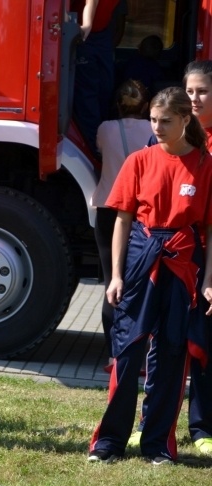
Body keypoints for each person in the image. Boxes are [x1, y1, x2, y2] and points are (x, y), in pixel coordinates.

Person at [88, 87, 212, 466]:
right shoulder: (139, 160)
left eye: (165, 121)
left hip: (183, 262)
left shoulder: (204, 164)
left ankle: (158, 444)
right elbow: (122, 220)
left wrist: (208, 279)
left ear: (185, 120)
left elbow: (209, 229)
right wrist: (115, 276)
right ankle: (109, 442)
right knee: (127, 350)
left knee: (172, 353)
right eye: (153, 120)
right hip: (141, 258)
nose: (157, 127)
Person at [130, 61, 212, 456]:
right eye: (190, 91)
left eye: (203, 91)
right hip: (177, 256)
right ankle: (151, 425)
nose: (195, 98)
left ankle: (202, 428)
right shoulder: (163, 138)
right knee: (164, 343)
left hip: (203, 256)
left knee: (202, 345)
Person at [90, 79, 151, 370]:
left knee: (111, 281)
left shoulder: (105, 128)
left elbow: (100, 151)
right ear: (146, 106)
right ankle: (141, 357)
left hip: (108, 207)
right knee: (141, 284)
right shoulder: (153, 129)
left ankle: (113, 356)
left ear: (117, 104)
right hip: (140, 210)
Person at [71, 0, 121, 156]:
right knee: (88, 93)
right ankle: (92, 147)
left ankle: (102, 138)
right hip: (84, 34)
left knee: (106, 87)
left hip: (102, 33)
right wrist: (86, 25)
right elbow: (91, 3)